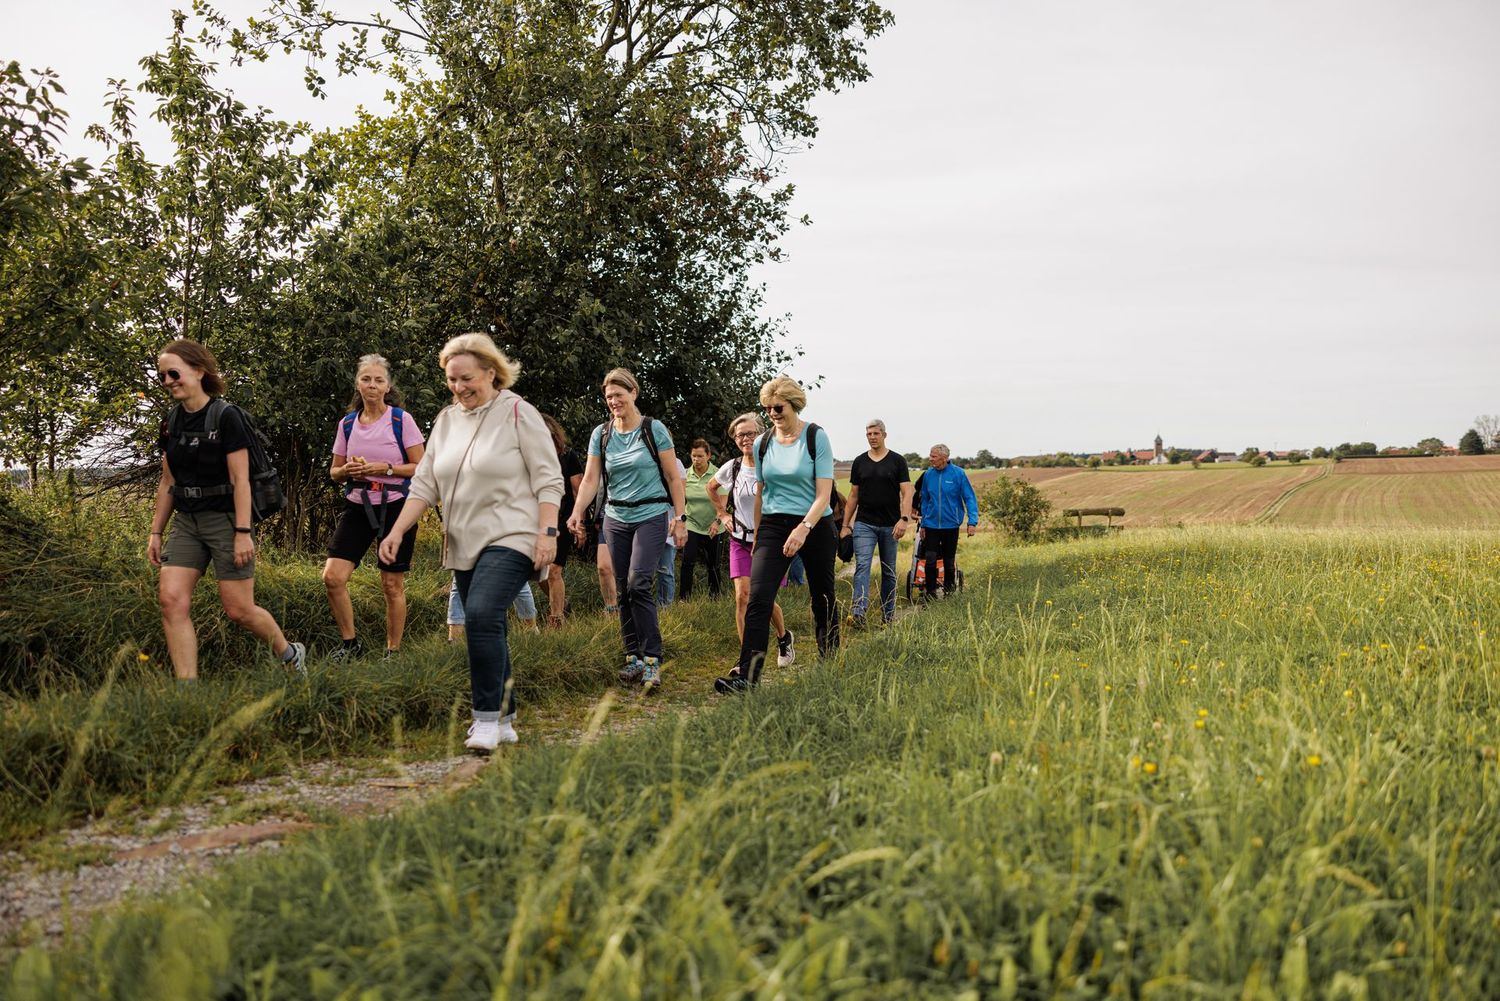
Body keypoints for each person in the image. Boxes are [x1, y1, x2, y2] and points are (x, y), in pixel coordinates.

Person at [379, 333, 562, 753]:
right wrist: (398, 530)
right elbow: (424, 483)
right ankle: (506, 715)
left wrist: (547, 533)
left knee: (479, 613)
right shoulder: (446, 420)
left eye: (467, 378)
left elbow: (548, 478)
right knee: (489, 623)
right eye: (451, 380)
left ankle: (484, 720)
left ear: (491, 373)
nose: (459, 387)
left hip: (513, 533)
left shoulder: (518, 412)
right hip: (463, 541)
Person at [148, 338, 306, 680]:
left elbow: (241, 480)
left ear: (198, 371)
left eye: (173, 373)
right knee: (171, 601)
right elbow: (167, 482)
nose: (168, 381)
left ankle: (291, 654)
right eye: (162, 376)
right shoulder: (171, 423)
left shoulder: (227, 417)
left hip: (226, 520)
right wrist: (156, 531)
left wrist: (243, 532)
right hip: (187, 522)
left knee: (239, 610)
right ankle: (186, 689)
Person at [567, 369, 687, 693]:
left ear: (634, 393)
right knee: (622, 589)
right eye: (609, 397)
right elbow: (591, 479)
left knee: (639, 582)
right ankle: (632, 656)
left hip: (651, 514)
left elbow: (674, 477)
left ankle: (652, 660)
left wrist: (681, 517)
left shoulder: (654, 430)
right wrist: (577, 512)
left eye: (619, 395)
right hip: (615, 517)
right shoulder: (601, 434)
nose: (614, 401)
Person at [714, 376, 836, 693]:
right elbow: (760, 493)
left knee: (822, 596)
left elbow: (824, 493)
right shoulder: (762, 442)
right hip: (772, 523)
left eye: (778, 407)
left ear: (793, 403)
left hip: (815, 524)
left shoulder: (815, 437)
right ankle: (748, 677)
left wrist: (803, 528)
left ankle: (830, 661)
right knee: (758, 597)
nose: (772, 413)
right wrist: (757, 538)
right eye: (767, 408)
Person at [323, 354, 427, 660]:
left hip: (396, 507)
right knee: (332, 577)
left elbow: (421, 467)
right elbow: (334, 471)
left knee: (391, 584)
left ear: (388, 385)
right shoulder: (347, 424)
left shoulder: (400, 420)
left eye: (378, 379)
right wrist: (346, 473)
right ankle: (349, 644)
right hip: (357, 505)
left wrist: (386, 468)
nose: (372, 385)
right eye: (366, 379)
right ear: (357, 384)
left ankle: (393, 651)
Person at [707, 413, 794, 671]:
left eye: (750, 433)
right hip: (739, 540)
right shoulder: (732, 467)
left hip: (769, 541)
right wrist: (722, 514)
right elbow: (711, 488)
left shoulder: (772, 464)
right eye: (740, 435)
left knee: (761, 597)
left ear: (762, 434)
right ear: (734, 439)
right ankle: (746, 661)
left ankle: (783, 637)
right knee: (742, 597)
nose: (745, 439)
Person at [840, 419, 913, 627]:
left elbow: (907, 492)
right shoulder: (860, 462)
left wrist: (904, 519)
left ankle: (888, 616)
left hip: (891, 525)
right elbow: (853, 495)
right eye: (869, 434)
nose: (872, 437)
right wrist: (846, 525)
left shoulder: (897, 461)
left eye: (875, 433)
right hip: (864, 524)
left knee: (888, 570)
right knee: (862, 565)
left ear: (884, 435)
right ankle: (858, 613)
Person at [913, 443, 978, 600]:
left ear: (944, 458)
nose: (930, 459)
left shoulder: (958, 474)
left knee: (949, 562)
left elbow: (969, 498)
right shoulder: (928, 475)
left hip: (951, 525)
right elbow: (926, 500)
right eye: (930, 455)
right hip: (932, 525)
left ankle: (949, 594)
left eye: (933, 456)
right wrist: (923, 524)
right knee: (929, 560)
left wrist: (972, 521)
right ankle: (930, 593)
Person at [540, 413, 585, 627]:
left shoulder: (568, 456)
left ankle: (556, 618)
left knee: (553, 570)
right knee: (539, 570)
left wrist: (580, 523)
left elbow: (579, 491)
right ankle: (560, 601)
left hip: (563, 520)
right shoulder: (528, 456)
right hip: (535, 520)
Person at [678, 439, 723, 601]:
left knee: (713, 564)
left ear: (709, 456)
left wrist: (717, 522)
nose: (696, 460)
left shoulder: (718, 474)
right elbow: (681, 499)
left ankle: (715, 597)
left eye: (700, 456)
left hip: (714, 524)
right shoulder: (685, 474)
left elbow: (723, 503)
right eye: (693, 456)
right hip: (692, 523)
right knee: (688, 561)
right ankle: (684, 598)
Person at [654, 457, 687, 607]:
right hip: (645, 522)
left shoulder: (676, 463)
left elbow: (681, 493)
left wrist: (679, 520)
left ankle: (665, 606)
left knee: (665, 569)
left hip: (669, 522)